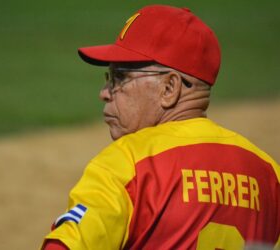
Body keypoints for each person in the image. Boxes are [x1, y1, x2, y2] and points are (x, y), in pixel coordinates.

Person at [41, 5, 280, 249]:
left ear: (169, 88)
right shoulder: (270, 176)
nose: (105, 93)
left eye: (119, 78)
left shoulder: (128, 164)